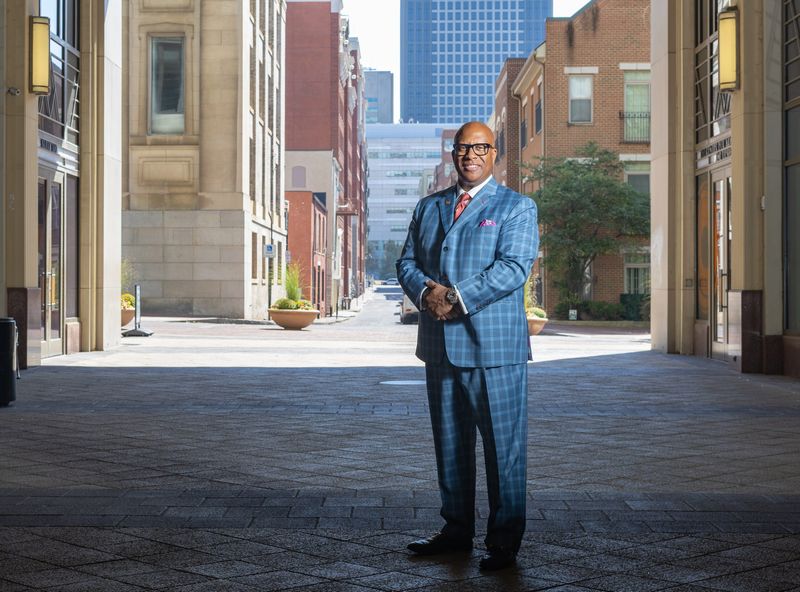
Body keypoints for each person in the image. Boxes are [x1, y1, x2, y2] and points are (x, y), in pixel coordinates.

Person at [397, 121, 539, 571]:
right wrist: (427, 293)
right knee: (451, 445)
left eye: (480, 147)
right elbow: (406, 262)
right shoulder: (429, 206)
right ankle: (456, 531)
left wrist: (454, 297)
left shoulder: (516, 207)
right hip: (440, 348)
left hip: (494, 351)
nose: (470, 155)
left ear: (494, 153)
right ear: (453, 153)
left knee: (503, 450)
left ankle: (503, 542)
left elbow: (513, 267)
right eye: (463, 147)